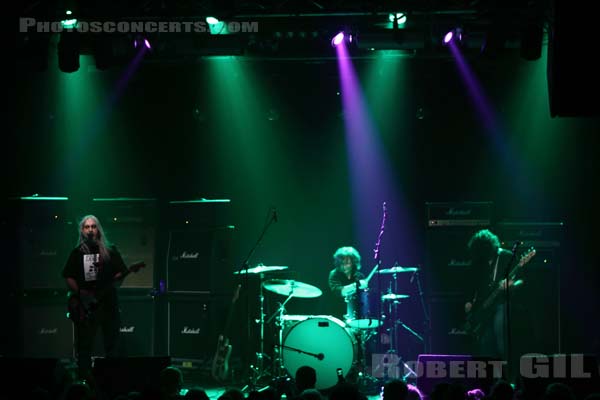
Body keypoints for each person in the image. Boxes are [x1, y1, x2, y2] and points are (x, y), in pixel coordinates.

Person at [62, 215, 141, 382]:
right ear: (82, 231)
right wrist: (80, 293)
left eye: (93, 226)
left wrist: (121, 276)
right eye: (86, 227)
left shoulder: (110, 250)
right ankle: (84, 379)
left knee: (112, 344)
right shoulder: (77, 253)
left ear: (98, 229)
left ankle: (111, 379)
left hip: (108, 304)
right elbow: (68, 276)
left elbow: (120, 273)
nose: (90, 229)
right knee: (85, 345)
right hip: (86, 306)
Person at [465, 229, 524, 360]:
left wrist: (511, 285)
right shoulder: (479, 261)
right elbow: (471, 284)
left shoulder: (507, 256)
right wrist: (469, 301)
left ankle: (506, 373)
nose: (486, 259)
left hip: (501, 303)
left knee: (501, 342)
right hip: (484, 307)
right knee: (485, 345)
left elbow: (521, 280)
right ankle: (491, 377)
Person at [327, 246, 366, 319]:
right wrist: (356, 285)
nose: (344, 266)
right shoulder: (334, 274)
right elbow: (339, 291)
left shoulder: (359, 276)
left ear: (354, 262)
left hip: (356, 315)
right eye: (341, 263)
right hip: (337, 314)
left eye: (347, 263)